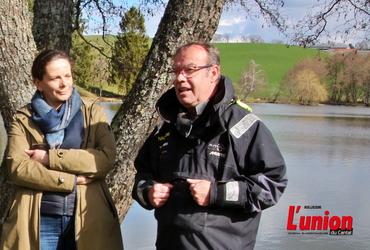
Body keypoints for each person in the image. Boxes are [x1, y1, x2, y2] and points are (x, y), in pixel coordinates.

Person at [132, 42, 288, 250]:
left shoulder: (243, 126)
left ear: (213, 73)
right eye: (176, 71)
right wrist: (149, 191)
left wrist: (217, 193)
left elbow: (272, 183)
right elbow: (142, 174)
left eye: (190, 69)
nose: (179, 78)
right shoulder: (166, 128)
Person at [0, 50, 123, 250]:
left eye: (67, 76)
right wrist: (70, 180)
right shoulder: (23, 118)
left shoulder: (92, 112)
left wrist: (50, 158)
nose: (64, 83)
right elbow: (17, 168)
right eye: (55, 78)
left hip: (88, 218)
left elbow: (105, 159)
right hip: (39, 220)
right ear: (38, 83)